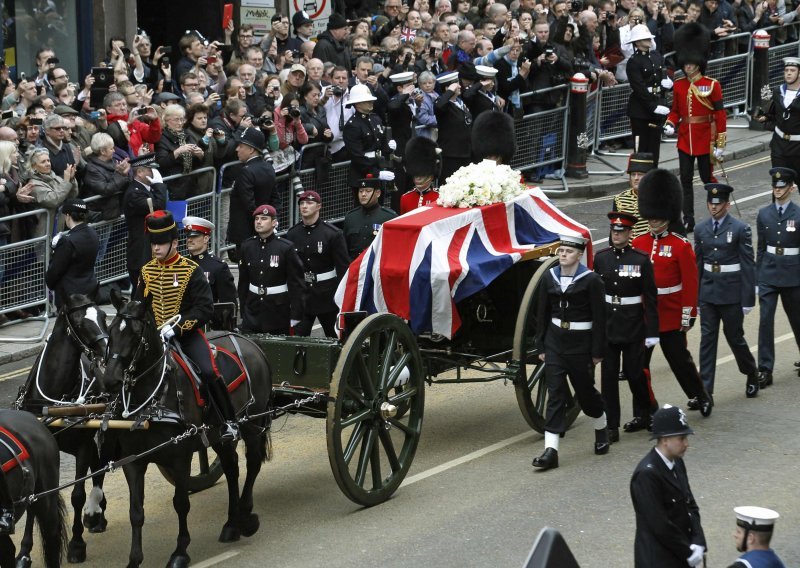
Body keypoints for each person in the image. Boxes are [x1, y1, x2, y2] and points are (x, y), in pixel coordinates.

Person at [138, 210, 239, 443]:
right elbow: (140, 306)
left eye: (161, 243)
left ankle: (228, 421)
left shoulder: (190, 270)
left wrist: (177, 327)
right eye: (153, 243)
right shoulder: (147, 271)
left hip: (186, 336)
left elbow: (204, 308)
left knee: (208, 371)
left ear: (174, 243)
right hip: (154, 337)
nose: (156, 249)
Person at [632, 168, 714, 416]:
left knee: (680, 361)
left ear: (667, 213)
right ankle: (644, 410)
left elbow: (690, 283)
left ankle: (700, 395)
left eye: (658, 215)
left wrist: (688, 314)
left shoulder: (680, 246)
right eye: (651, 215)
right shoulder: (639, 243)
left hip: (670, 315)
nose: (654, 220)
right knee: (639, 367)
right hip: (645, 316)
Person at [531, 234, 609, 471]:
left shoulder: (592, 280)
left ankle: (601, 427)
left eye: (569, 251)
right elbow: (541, 313)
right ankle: (551, 450)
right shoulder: (549, 277)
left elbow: (600, 318)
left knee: (586, 394)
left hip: (581, 345)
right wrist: (542, 346)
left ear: (579, 255)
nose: (563, 254)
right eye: (561, 250)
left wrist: (597, 352)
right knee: (555, 394)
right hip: (556, 343)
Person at [595, 212, 659, 441]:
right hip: (609, 328)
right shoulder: (601, 258)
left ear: (630, 234)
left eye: (621, 232)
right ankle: (611, 425)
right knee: (609, 378)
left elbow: (651, 298)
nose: (617, 235)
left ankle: (648, 411)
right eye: (614, 231)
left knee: (635, 375)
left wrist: (652, 332)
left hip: (633, 327)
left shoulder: (641, 260)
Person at [694, 183, 759, 400]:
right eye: (711, 203)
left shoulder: (740, 229)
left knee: (735, 338)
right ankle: (705, 391)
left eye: (718, 203)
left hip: (731, 293)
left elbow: (747, 264)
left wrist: (748, 297)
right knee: (707, 340)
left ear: (727, 205)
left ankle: (751, 372)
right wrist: (696, 297)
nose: (713, 207)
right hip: (708, 293)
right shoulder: (700, 229)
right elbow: (698, 264)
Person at [662, 23, 726, 233]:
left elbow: (719, 114)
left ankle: (716, 213)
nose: (687, 67)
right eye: (685, 63)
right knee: (686, 181)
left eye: (691, 63)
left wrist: (720, 144)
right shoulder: (679, 85)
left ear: (699, 63)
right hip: (685, 140)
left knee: (708, 179)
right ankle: (688, 218)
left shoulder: (712, 84)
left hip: (706, 139)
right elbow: (676, 111)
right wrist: (670, 123)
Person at [630, 404, 706, 568]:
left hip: (679, 554)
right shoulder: (647, 475)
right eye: (681, 438)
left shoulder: (677, 462)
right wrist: (687, 552)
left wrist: (699, 540)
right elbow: (660, 525)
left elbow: (690, 505)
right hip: (659, 560)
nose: (686, 444)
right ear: (665, 439)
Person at [755, 167, 800, 389]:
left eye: (782, 187)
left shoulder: (799, 214)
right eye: (775, 186)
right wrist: (757, 277)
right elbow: (761, 248)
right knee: (765, 321)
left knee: (797, 320)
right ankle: (765, 369)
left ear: (791, 188)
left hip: (793, 275)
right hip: (769, 274)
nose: (778, 190)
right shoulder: (764, 214)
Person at [284, 191, 350, 337]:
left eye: (309, 203)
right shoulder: (293, 234)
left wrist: (343, 299)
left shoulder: (332, 234)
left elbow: (343, 268)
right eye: (302, 203)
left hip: (327, 296)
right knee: (296, 342)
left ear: (319, 206)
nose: (304, 206)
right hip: (303, 297)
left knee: (336, 339)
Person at [237, 204, 305, 335]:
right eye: (256, 219)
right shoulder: (247, 246)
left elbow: (296, 283)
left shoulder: (285, 247)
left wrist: (296, 314)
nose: (258, 222)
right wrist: (244, 310)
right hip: (253, 309)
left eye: (263, 218)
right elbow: (243, 282)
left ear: (274, 223)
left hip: (278, 311)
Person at [226, 127, 278, 260]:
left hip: (246, 234)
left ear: (251, 150)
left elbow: (249, 204)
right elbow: (275, 200)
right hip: (265, 230)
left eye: (241, 146)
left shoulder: (246, 172)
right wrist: (270, 222)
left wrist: (259, 223)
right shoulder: (268, 167)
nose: (237, 149)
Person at [122, 153, 168, 296]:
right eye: (150, 170)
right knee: (140, 295)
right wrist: (160, 185)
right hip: (140, 253)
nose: (154, 173)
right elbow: (158, 207)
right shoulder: (134, 193)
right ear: (140, 172)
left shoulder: (146, 190)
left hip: (149, 250)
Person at [625, 24, 671, 166]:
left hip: (656, 105)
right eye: (645, 38)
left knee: (654, 149)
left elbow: (663, 72)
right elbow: (639, 88)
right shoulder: (633, 62)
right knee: (641, 149)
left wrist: (669, 82)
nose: (649, 40)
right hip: (641, 110)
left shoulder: (656, 56)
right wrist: (653, 107)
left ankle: (652, 179)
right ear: (638, 42)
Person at [182, 216, 237, 331]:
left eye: (195, 236)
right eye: (188, 236)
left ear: (206, 238)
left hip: (208, 328)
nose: (189, 240)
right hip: (182, 324)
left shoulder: (218, 266)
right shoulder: (181, 264)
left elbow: (227, 304)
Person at [45, 198, 99, 309]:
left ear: (68, 216)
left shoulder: (67, 241)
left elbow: (55, 270)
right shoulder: (93, 233)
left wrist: (55, 250)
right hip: (90, 290)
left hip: (70, 296)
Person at [343, 84, 395, 190]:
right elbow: (357, 156)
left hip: (379, 166)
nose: (371, 102)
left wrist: (389, 147)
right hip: (364, 174)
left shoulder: (375, 118)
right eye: (366, 100)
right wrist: (376, 173)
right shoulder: (352, 125)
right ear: (357, 103)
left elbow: (380, 143)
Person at [760, 58, 800, 177]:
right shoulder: (778, 91)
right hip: (779, 144)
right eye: (786, 70)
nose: (788, 73)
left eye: (792, 70)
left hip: (798, 147)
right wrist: (764, 117)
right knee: (779, 183)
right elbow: (772, 114)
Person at [343, 176, 398, 259]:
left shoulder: (389, 217)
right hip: (355, 265)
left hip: (377, 265)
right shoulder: (351, 217)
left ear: (378, 193)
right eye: (361, 191)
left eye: (368, 191)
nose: (363, 194)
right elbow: (345, 248)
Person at [434, 71, 473, 182]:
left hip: (466, 151)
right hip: (451, 154)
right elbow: (439, 106)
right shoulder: (443, 104)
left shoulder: (460, 102)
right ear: (447, 88)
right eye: (456, 84)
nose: (460, 86)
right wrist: (450, 91)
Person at [612, 152, 655, 238]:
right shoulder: (619, 199)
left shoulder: (658, 198)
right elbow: (614, 229)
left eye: (640, 174)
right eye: (633, 174)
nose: (636, 178)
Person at [400, 136, 440, 214]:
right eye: (416, 174)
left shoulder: (439, 197)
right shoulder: (405, 198)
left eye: (422, 175)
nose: (418, 178)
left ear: (431, 177)